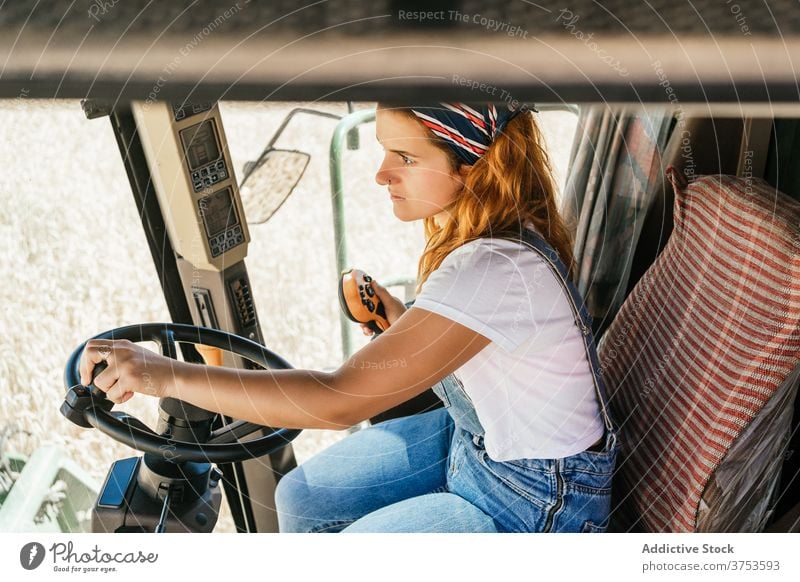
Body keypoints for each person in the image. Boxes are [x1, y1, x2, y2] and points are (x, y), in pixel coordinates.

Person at [79, 102, 617, 533]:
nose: (382, 174)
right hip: (477, 446)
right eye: (385, 152)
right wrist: (405, 320)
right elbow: (487, 347)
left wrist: (163, 374)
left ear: (471, 161)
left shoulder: (492, 269)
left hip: (537, 502)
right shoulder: (495, 243)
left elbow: (338, 400)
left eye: (404, 157)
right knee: (302, 497)